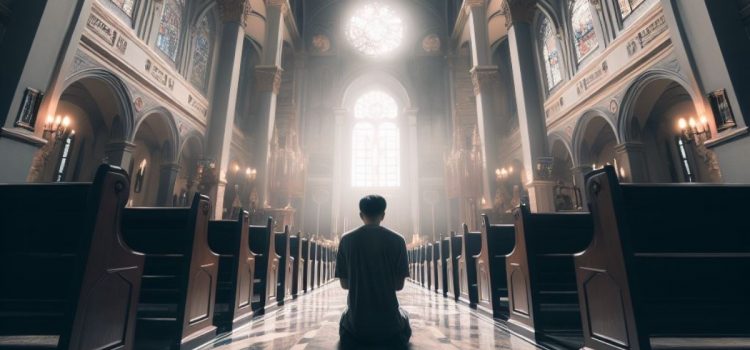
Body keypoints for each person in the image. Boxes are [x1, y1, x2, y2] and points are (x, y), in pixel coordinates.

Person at [335, 195, 411, 349]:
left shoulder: (346, 240)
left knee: (344, 317)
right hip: (390, 328)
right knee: (404, 316)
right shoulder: (398, 240)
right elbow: (398, 286)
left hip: (355, 328)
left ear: (361, 215)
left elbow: (344, 284)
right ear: (383, 215)